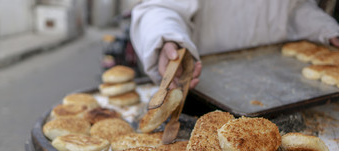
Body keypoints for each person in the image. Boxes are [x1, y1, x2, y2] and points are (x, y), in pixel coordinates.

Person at [130, 0, 339, 89]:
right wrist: (169, 39)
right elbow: (161, 8)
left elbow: (291, 9)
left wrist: (325, 31)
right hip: (206, 87)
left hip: (280, 84)